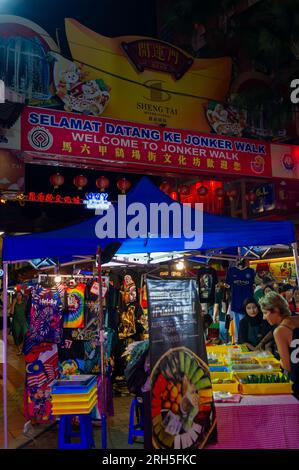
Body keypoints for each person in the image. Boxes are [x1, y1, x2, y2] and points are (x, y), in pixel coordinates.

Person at [260, 292, 299, 399]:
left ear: (276, 310)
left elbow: (287, 366)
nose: (264, 317)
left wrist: (274, 358)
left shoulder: (280, 331)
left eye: (265, 313)